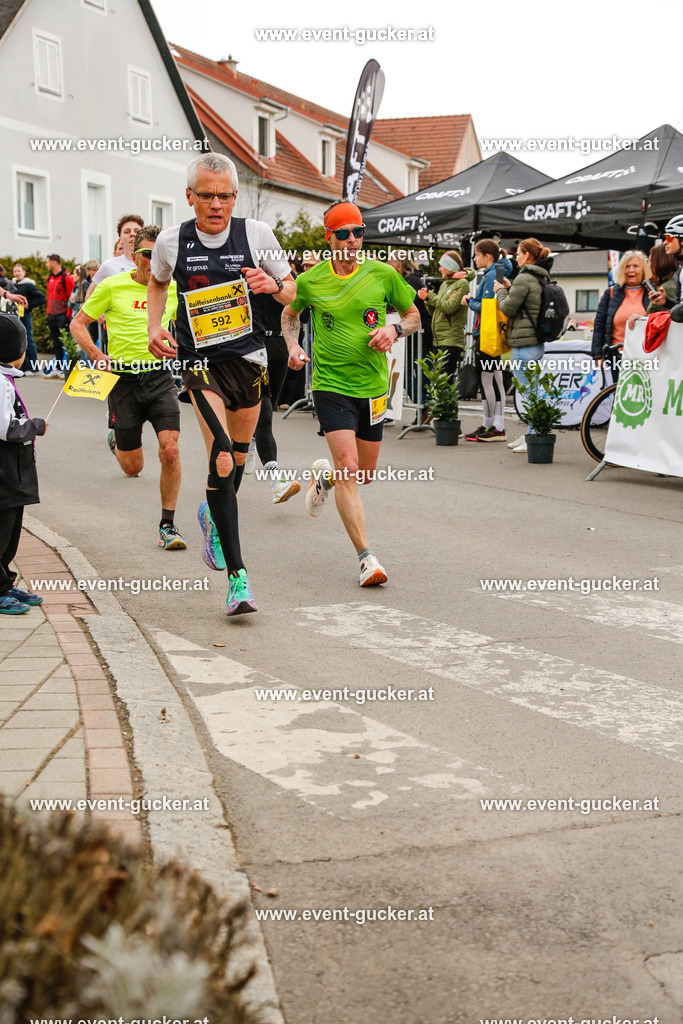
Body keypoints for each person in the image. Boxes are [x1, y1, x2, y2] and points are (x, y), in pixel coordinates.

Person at [147, 153, 295, 616]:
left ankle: (213, 510)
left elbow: (294, 291)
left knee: (239, 459)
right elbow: (156, 284)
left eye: (225, 195)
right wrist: (156, 326)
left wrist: (270, 287)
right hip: (199, 361)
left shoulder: (257, 236)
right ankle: (238, 581)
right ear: (189, 197)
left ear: (234, 196)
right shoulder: (171, 242)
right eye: (207, 195)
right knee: (224, 459)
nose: (217, 204)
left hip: (248, 360)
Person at [281, 200, 421, 587]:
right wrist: (292, 346)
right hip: (330, 386)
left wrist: (394, 330)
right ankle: (366, 558)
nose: (353, 240)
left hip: (374, 389)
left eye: (358, 232)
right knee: (349, 468)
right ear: (329, 238)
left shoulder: (381, 274)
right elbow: (289, 314)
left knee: (363, 475)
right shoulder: (311, 280)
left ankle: (323, 479)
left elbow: (413, 316)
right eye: (344, 233)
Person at [70, 226, 186, 551]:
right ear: (134, 255)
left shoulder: (173, 289)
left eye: (159, 254)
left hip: (159, 377)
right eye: (147, 254)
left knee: (170, 449)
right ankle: (117, 440)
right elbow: (77, 324)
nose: (152, 260)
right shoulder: (111, 286)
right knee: (133, 466)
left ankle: (168, 524)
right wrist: (96, 355)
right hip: (122, 382)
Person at [0, 314, 47, 614]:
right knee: (2, 531)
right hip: (5, 471)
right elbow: (6, 428)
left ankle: (4, 582)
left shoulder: (7, 379)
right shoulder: (1, 384)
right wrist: (35, 425)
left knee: (11, 531)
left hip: (14, 473)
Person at [494, 237, 554, 453]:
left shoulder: (524, 277)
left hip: (524, 342)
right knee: (532, 388)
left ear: (527, 255)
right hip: (535, 341)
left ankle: (535, 433)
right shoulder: (539, 277)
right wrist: (510, 287)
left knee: (529, 391)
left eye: (518, 254)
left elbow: (508, 308)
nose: (516, 258)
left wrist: (500, 290)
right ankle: (532, 432)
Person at [242, 293, 301, 503]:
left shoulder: (283, 276)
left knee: (268, 410)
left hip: (280, 347)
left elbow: (298, 310)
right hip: (253, 347)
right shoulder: (247, 269)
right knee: (264, 414)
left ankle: (251, 439)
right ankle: (277, 481)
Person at [462, 239, 513, 443]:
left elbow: (487, 306)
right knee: (494, 377)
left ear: (488, 256)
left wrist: (469, 301)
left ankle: (494, 426)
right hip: (491, 333)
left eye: (477, 255)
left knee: (488, 379)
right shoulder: (498, 271)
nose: (474, 258)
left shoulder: (492, 273)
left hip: (487, 333)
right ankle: (491, 424)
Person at [591, 250, 650, 376]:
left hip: (646, 355)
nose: (631, 270)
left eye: (635, 266)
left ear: (643, 269)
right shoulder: (611, 293)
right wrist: (597, 355)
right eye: (627, 267)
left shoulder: (651, 293)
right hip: (617, 356)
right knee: (620, 393)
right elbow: (599, 325)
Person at [422, 250, 475, 378]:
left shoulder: (462, 284)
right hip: (439, 339)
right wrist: (428, 301)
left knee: (445, 381)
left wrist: (430, 296)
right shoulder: (445, 283)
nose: (440, 269)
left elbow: (449, 307)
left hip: (451, 340)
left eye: (442, 266)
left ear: (451, 266)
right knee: (438, 381)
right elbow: (436, 311)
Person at [86, 214, 144, 297]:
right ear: (120, 241)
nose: (132, 234)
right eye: (127, 232)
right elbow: (90, 294)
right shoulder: (109, 266)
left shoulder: (154, 265)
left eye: (137, 231)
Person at [11, 264, 45, 375]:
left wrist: (29, 305)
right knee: (18, 341)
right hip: (15, 316)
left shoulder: (29, 285)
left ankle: (33, 367)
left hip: (25, 317)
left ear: (24, 272)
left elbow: (41, 298)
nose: (17, 273)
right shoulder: (12, 284)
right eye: (15, 271)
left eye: (19, 271)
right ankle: (22, 367)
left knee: (28, 340)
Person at [44, 254, 74, 378]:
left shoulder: (66, 277)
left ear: (54, 262)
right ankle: (58, 367)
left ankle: (68, 368)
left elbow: (71, 296)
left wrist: (68, 315)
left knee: (66, 343)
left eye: (48, 262)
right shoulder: (50, 277)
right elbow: (49, 297)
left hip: (63, 315)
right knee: (56, 343)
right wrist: (48, 313)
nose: (46, 265)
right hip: (52, 315)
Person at [646, 244, 677, 311]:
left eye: (650, 261)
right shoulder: (671, 283)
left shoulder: (667, 287)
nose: (649, 266)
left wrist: (640, 319)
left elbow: (670, 317)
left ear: (659, 263)